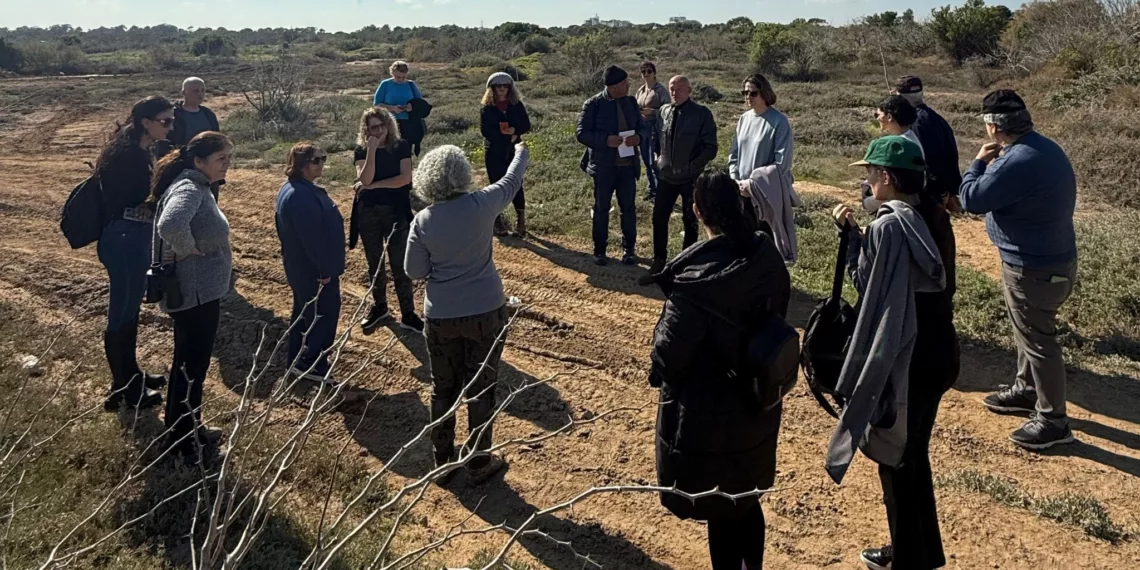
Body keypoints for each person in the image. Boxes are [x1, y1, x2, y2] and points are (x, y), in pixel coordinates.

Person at [649, 170, 790, 570]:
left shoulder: (695, 282)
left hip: (710, 415)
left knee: (722, 507)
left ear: (696, 212)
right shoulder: (765, 255)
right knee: (746, 499)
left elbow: (668, 357)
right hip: (759, 399)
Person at [832, 135, 958, 570]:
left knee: (894, 456)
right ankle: (921, 553)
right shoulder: (935, 216)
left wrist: (852, 239)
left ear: (886, 176)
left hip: (906, 353)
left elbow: (868, 288)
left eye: (870, 174)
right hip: (939, 348)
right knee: (914, 452)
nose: (867, 182)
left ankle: (908, 557)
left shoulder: (888, 226)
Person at [960, 90, 1078, 451]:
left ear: (993, 127)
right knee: (1030, 333)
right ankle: (1027, 391)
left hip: (1031, 267)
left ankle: (1053, 421)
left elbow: (971, 200)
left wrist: (977, 164)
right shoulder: (1045, 148)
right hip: (1054, 261)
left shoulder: (1017, 160)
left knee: (1039, 342)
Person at [405, 142, 530, 485]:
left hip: (441, 316)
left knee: (443, 388)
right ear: (463, 173)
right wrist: (520, 151)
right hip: (486, 310)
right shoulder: (483, 204)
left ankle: (442, 462)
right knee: (481, 387)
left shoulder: (423, 220)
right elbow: (511, 180)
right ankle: (478, 461)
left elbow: (414, 271)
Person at [152, 131, 233, 461]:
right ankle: (182, 444)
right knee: (191, 368)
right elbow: (171, 224)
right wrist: (188, 249)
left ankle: (187, 429)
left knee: (189, 365)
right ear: (199, 161)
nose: (227, 164)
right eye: (221, 158)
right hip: (195, 294)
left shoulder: (198, 185)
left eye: (229, 157)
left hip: (199, 293)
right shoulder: (190, 187)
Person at [95, 95, 174, 412]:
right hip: (124, 237)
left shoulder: (140, 149)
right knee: (122, 313)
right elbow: (133, 199)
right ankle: (124, 387)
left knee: (129, 313)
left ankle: (131, 376)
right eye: (165, 121)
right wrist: (156, 200)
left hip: (131, 236)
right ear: (146, 122)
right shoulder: (128, 155)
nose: (170, 126)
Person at [276, 143, 346, 384]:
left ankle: (298, 360)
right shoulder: (299, 196)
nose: (322, 163)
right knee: (322, 318)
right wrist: (324, 271)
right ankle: (312, 365)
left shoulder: (296, 189)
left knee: (304, 315)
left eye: (323, 158)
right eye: (316, 160)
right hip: (313, 272)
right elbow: (312, 239)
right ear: (301, 164)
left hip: (303, 269)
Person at [352, 108, 423, 334]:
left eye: (382, 125)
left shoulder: (401, 146)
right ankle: (380, 307)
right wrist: (372, 150)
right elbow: (364, 178)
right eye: (374, 127)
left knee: (400, 263)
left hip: (395, 210)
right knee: (374, 262)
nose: (379, 130)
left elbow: (404, 179)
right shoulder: (361, 150)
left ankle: (408, 313)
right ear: (366, 129)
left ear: (389, 125)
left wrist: (373, 186)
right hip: (368, 211)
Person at [641, 75, 717, 282]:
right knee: (659, 217)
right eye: (672, 89)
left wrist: (692, 167)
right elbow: (656, 138)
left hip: (690, 178)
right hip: (666, 177)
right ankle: (659, 261)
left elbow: (710, 147)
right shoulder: (664, 111)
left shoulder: (701, 114)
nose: (675, 92)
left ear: (689, 90)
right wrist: (657, 158)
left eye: (680, 89)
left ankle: (686, 265)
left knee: (690, 219)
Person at [730, 74, 800, 266]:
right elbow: (734, 154)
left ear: (765, 93)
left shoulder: (779, 121)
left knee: (767, 245)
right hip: (742, 192)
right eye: (744, 92)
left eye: (753, 93)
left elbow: (781, 163)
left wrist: (752, 184)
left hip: (766, 194)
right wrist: (735, 179)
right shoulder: (744, 119)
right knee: (744, 242)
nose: (748, 97)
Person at [576, 65, 642, 266]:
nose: (628, 85)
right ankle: (599, 251)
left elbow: (643, 128)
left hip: (627, 166)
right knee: (601, 209)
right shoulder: (593, 104)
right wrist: (606, 140)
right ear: (613, 87)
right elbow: (581, 133)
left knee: (628, 209)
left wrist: (639, 138)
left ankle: (629, 250)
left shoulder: (631, 102)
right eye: (624, 83)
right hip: (603, 167)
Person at [896, 76, 963, 210]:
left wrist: (941, 191)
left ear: (901, 97)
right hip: (941, 187)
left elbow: (928, 159)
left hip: (930, 191)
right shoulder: (936, 118)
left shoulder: (917, 122)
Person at [480, 72, 531, 238]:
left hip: (514, 150)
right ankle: (498, 221)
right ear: (492, 88)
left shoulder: (516, 105)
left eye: (505, 86)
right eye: (498, 86)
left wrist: (515, 131)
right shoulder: (487, 107)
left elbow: (526, 124)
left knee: (517, 184)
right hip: (494, 151)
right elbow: (485, 131)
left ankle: (521, 221)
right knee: (496, 185)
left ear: (510, 88)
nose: (502, 89)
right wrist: (505, 136)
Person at [863, 95, 924, 213]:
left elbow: (895, 187)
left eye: (877, 115)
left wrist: (868, 202)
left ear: (889, 117)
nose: (877, 119)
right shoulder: (908, 140)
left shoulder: (903, 146)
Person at [373, 61, 426, 156]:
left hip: (408, 123)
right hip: (389, 122)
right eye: (398, 77)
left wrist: (411, 107)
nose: (401, 80)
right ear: (392, 73)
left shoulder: (411, 84)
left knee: (406, 150)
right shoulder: (385, 84)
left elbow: (420, 103)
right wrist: (393, 108)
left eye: (403, 77)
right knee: (390, 149)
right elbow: (377, 105)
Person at [635, 61, 670, 202]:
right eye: (643, 71)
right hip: (642, 129)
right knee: (646, 160)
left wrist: (653, 112)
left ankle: (659, 192)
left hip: (655, 129)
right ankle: (652, 189)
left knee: (653, 161)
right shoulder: (641, 90)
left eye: (649, 71)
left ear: (654, 73)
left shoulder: (660, 90)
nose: (646, 74)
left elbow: (668, 109)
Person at [168, 77, 221, 149]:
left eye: (203, 90)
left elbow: (217, 139)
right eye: (195, 91)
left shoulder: (209, 114)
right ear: (184, 93)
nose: (200, 94)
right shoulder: (173, 114)